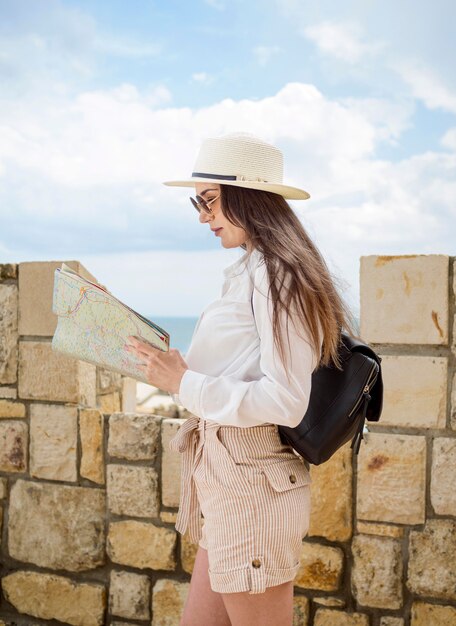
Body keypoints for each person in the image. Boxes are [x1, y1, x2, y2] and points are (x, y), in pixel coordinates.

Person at [126, 132, 354, 626]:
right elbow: (242, 368)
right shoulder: (253, 270)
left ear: (246, 197)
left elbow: (286, 399)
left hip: (251, 483)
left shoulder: (278, 275)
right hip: (230, 480)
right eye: (197, 203)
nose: (203, 216)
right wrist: (174, 368)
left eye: (208, 201)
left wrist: (183, 383)